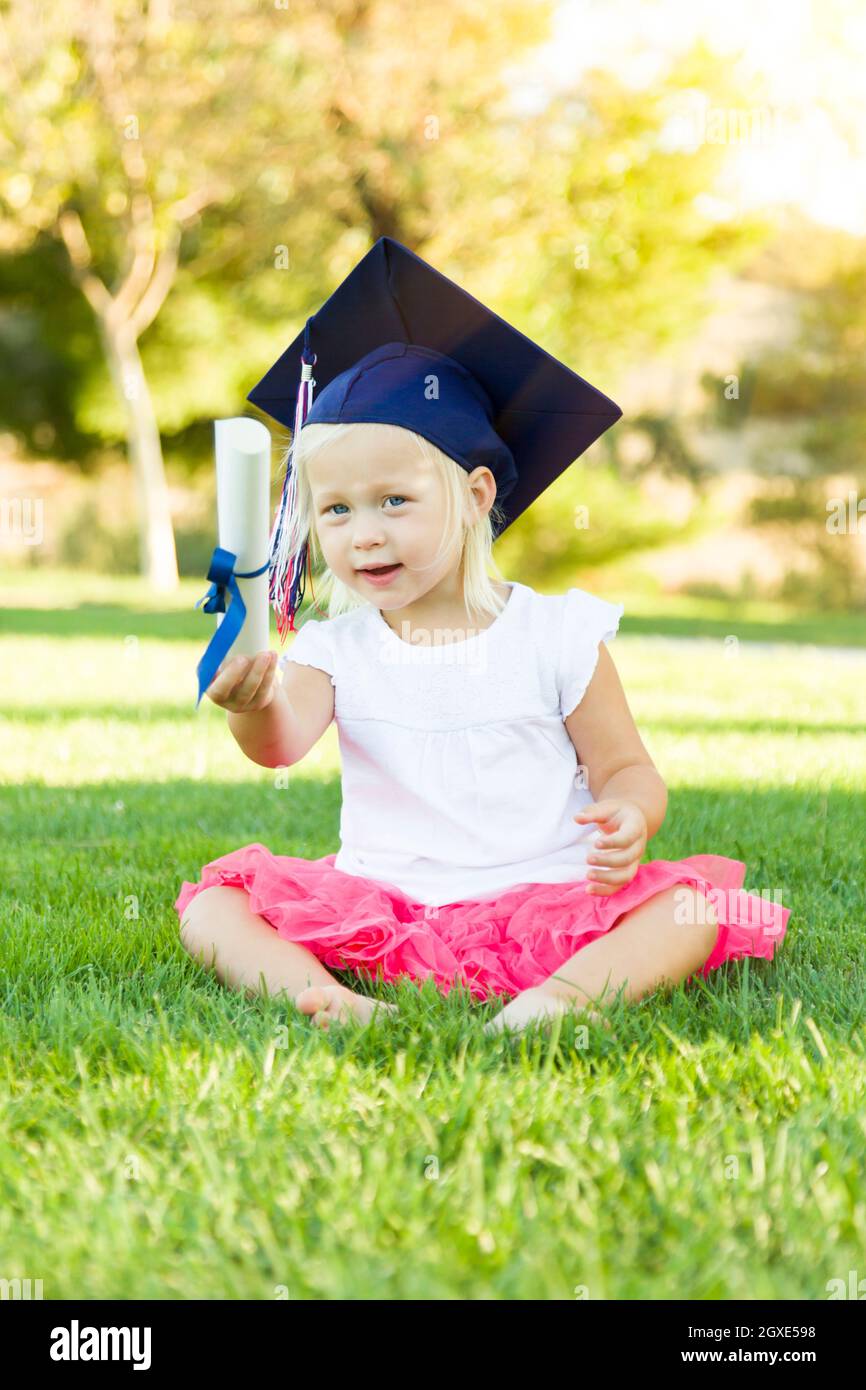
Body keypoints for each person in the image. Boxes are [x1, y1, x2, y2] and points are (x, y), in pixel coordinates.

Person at [175, 237, 791, 1035]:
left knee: (686, 909)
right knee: (216, 906)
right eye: (336, 510)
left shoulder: (557, 634)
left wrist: (632, 817)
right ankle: (327, 998)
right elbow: (277, 744)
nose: (364, 534)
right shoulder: (337, 645)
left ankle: (558, 1002)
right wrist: (247, 704)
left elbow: (627, 768)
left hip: (545, 901)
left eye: (395, 500)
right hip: (385, 906)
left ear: (475, 494)